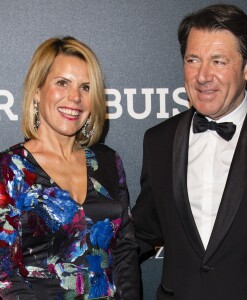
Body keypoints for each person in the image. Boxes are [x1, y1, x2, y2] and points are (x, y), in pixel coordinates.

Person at [132, 4, 247, 300]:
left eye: (219, 61)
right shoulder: (158, 141)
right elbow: (143, 231)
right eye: (193, 60)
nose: (203, 76)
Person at [0, 36, 140, 300]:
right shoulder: (9, 169)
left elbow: (124, 250)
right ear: (38, 91)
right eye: (62, 82)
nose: (75, 97)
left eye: (86, 87)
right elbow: (4, 276)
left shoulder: (108, 162)